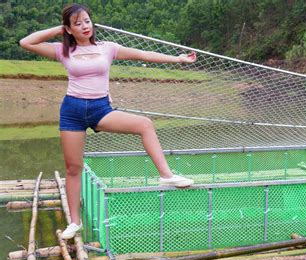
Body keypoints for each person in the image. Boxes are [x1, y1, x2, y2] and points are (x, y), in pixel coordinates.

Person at [19, 3, 196, 239]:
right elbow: (26, 42)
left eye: (87, 21)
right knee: (73, 168)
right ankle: (75, 222)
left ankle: (166, 175)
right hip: (72, 110)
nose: (84, 26)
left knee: (144, 124)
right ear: (69, 29)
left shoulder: (108, 48)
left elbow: (143, 55)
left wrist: (178, 59)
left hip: (100, 109)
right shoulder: (63, 50)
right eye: (77, 23)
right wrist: (57, 30)